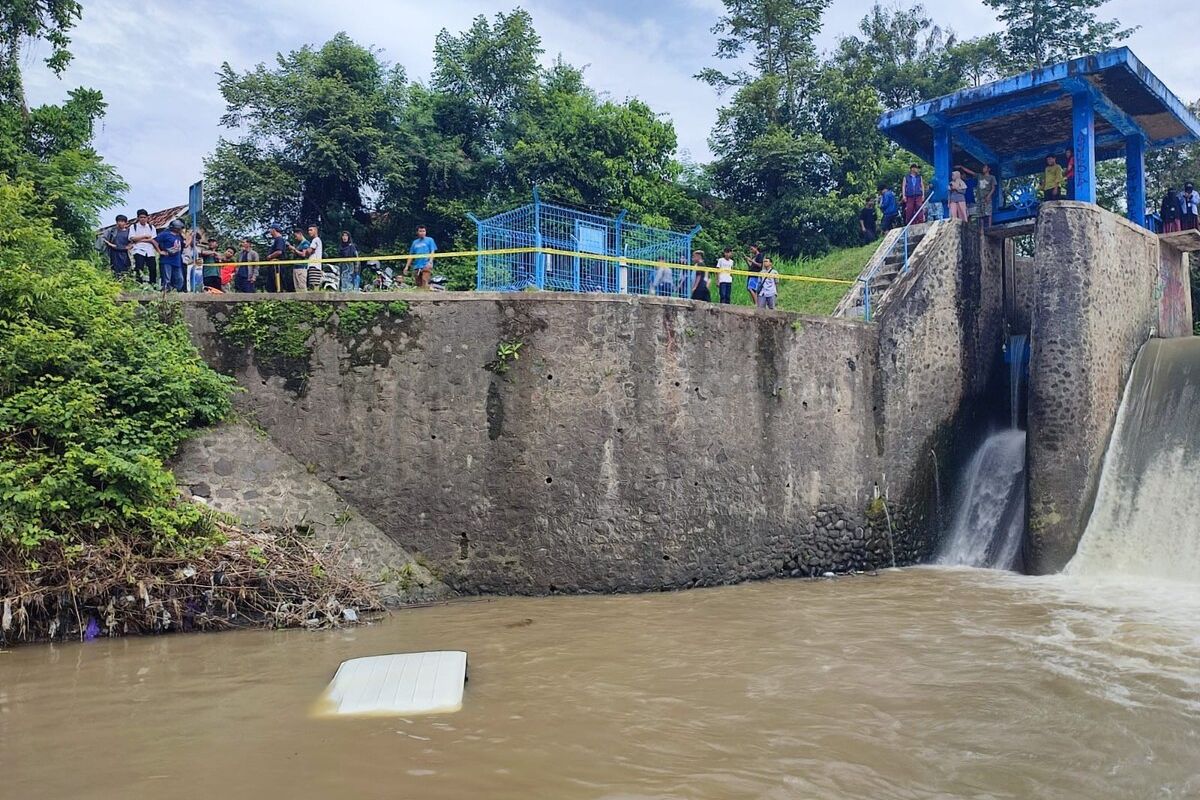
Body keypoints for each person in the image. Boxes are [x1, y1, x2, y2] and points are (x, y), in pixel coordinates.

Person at [128, 209, 159, 286]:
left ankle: (153, 285)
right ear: (138, 218)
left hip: (150, 251)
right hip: (138, 250)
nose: (143, 219)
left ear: (147, 218)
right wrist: (144, 236)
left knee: (152, 268)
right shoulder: (134, 227)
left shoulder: (151, 227)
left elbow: (153, 240)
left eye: (145, 217)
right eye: (141, 217)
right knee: (139, 268)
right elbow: (132, 238)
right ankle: (139, 284)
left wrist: (139, 240)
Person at [154, 219, 186, 292]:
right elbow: (154, 241)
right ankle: (165, 295)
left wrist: (188, 236)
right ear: (176, 228)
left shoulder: (179, 236)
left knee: (180, 280)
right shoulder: (165, 234)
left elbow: (185, 245)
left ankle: (173, 293)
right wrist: (159, 251)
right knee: (166, 280)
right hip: (167, 260)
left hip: (177, 261)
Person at [101, 214, 132, 278]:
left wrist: (129, 246)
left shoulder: (129, 231)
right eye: (119, 221)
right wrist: (109, 244)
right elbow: (102, 238)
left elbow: (132, 241)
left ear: (126, 222)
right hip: (114, 253)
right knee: (115, 270)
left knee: (126, 270)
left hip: (125, 253)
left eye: (122, 221)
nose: (120, 223)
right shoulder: (112, 231)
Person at [303, 224, 331, 290]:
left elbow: (309, 251)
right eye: (308, 230)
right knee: (314, 284)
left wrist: (306, 250)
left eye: (311, 230)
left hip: (314, 265)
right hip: (316, 266)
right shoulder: (317, 240)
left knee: (314, 285)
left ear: (315, 231)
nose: (309, 232)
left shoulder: (315, 240)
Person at [264, 224, 288, 292]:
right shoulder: (277, 240)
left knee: (277, 282)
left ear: (274, 230)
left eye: (270, 230)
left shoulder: (279, 239)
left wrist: (270, 256)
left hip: (277, 266)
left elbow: (279, 251)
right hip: (274, 266)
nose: (270, 232)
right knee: (272, 283)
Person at [287, 227, 311, 291]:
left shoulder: (305, 243)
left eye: (296, 236)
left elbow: (303, 254)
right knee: (297, 288)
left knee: (302, 287)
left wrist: (294, 249)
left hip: (301, 268)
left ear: (300, 234)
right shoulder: (300, 244)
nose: (295, 238)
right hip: (296, 267)